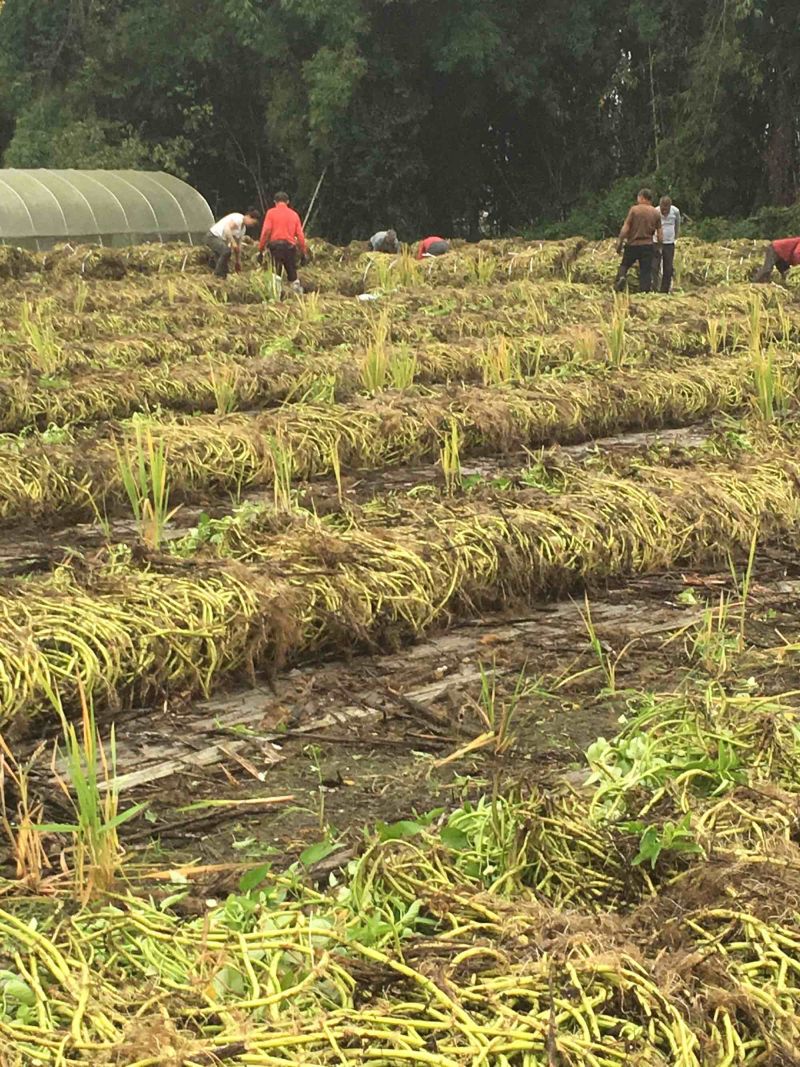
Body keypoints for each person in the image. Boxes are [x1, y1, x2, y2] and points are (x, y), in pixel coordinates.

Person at [614, 189, 663, 293]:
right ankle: (644, 293)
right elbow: (660, 234)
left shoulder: (634, 210)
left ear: (642, 197)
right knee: (645, 271)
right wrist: (658, 247)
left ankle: (621, 277)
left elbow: (626, 227)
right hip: (648, 245)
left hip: (633, 244)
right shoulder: (656, 213)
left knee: (624, 265)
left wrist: (620, 242)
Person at [257, 192, 308, 293]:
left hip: (275, 247)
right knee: (292, 273)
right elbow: (300, 236)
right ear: (288, 202)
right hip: (290, 247)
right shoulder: (294, 215)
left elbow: (266, 231)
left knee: (275, 274)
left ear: (275, 202)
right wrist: (303, 253)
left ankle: (276, 297)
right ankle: (297, 296)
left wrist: (260, 249)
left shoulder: (271, 213)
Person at [205, 207, 260, 279]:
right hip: (213, 236)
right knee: (226, 251)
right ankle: (217, 276)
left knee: (224, 262)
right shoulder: (238, 219)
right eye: (252, 223)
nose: (252, 225)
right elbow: (226, 229)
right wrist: (232, 242)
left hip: (221, 240)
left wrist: (238, 261)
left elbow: (238, 246)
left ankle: (212, 267)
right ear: (248, 217)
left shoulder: (242, 229)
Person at [654, 196, 681, 293]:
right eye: (663, 209)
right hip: (656, 242)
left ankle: (664, 290)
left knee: (668, 268)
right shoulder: (655, 211)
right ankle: (654, 288)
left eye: (666, 209)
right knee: (654, 266)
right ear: (660, 206)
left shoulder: (675, 212)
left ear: (670, 206)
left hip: (669, 243)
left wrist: (675, 237)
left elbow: (677, 225)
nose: (664, 211)